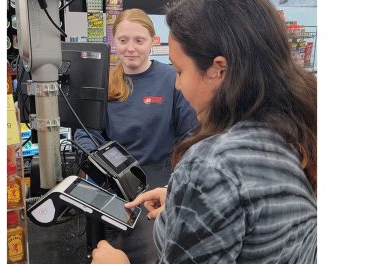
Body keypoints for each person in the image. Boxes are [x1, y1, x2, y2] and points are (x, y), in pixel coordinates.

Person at [90, 0, 317, 263]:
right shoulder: (292, 130)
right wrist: (190, 200)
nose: (175, 85)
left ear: (218, 70)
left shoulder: (212, 167)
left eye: (179, 71)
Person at [74, 8, 197, 264]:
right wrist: (100, 172)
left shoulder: (172, 79)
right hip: (114, 183)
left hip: (161, 180)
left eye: (139, 40)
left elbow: (191, 137)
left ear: (153, 41)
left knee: (152, 250)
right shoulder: (104, 82)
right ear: (113, 42)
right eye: (123, 40)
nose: (130, 48)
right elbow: (86, 135)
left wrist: (175, 185)